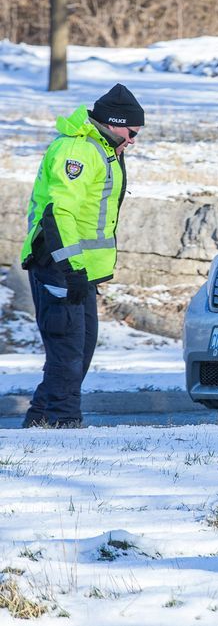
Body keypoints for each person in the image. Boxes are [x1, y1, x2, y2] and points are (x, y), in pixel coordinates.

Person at [19, 84, 144, 428]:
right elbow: (59, 214)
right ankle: (63, 420)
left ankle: (40, 419)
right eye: (132, 133)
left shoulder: (104, 149)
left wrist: (83, 270)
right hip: (58, 264)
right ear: (114, 124)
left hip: (79, 269)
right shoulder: (78, 151)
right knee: (68, 349)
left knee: (82, 347)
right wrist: (72, 268)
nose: (134, 141)